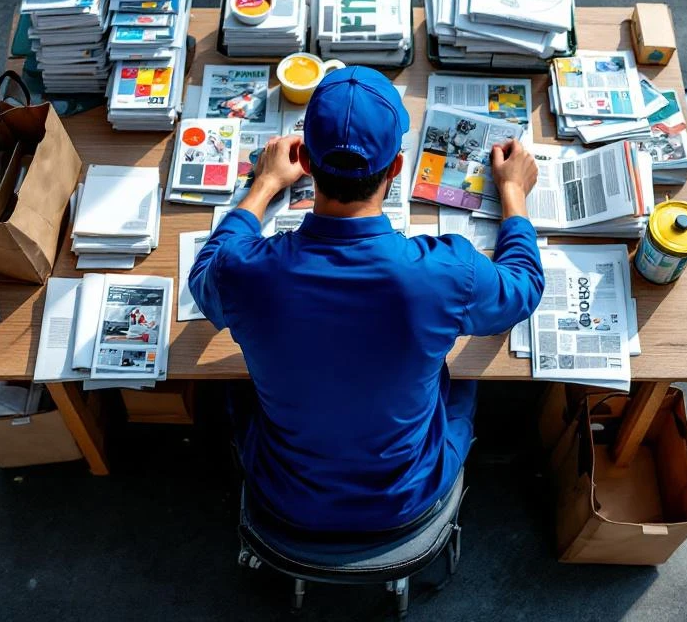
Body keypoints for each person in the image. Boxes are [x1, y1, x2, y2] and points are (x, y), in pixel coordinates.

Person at [188, 66, 544, 533]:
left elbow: (203, 274)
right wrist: (514, 191)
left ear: (308, 162)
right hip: (407, 495)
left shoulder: (247, 270)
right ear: (396, 167)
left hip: (285, 494)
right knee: (463, 384)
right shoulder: (445, 271)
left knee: (236, 388)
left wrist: (264, 185)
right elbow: (523, 287)